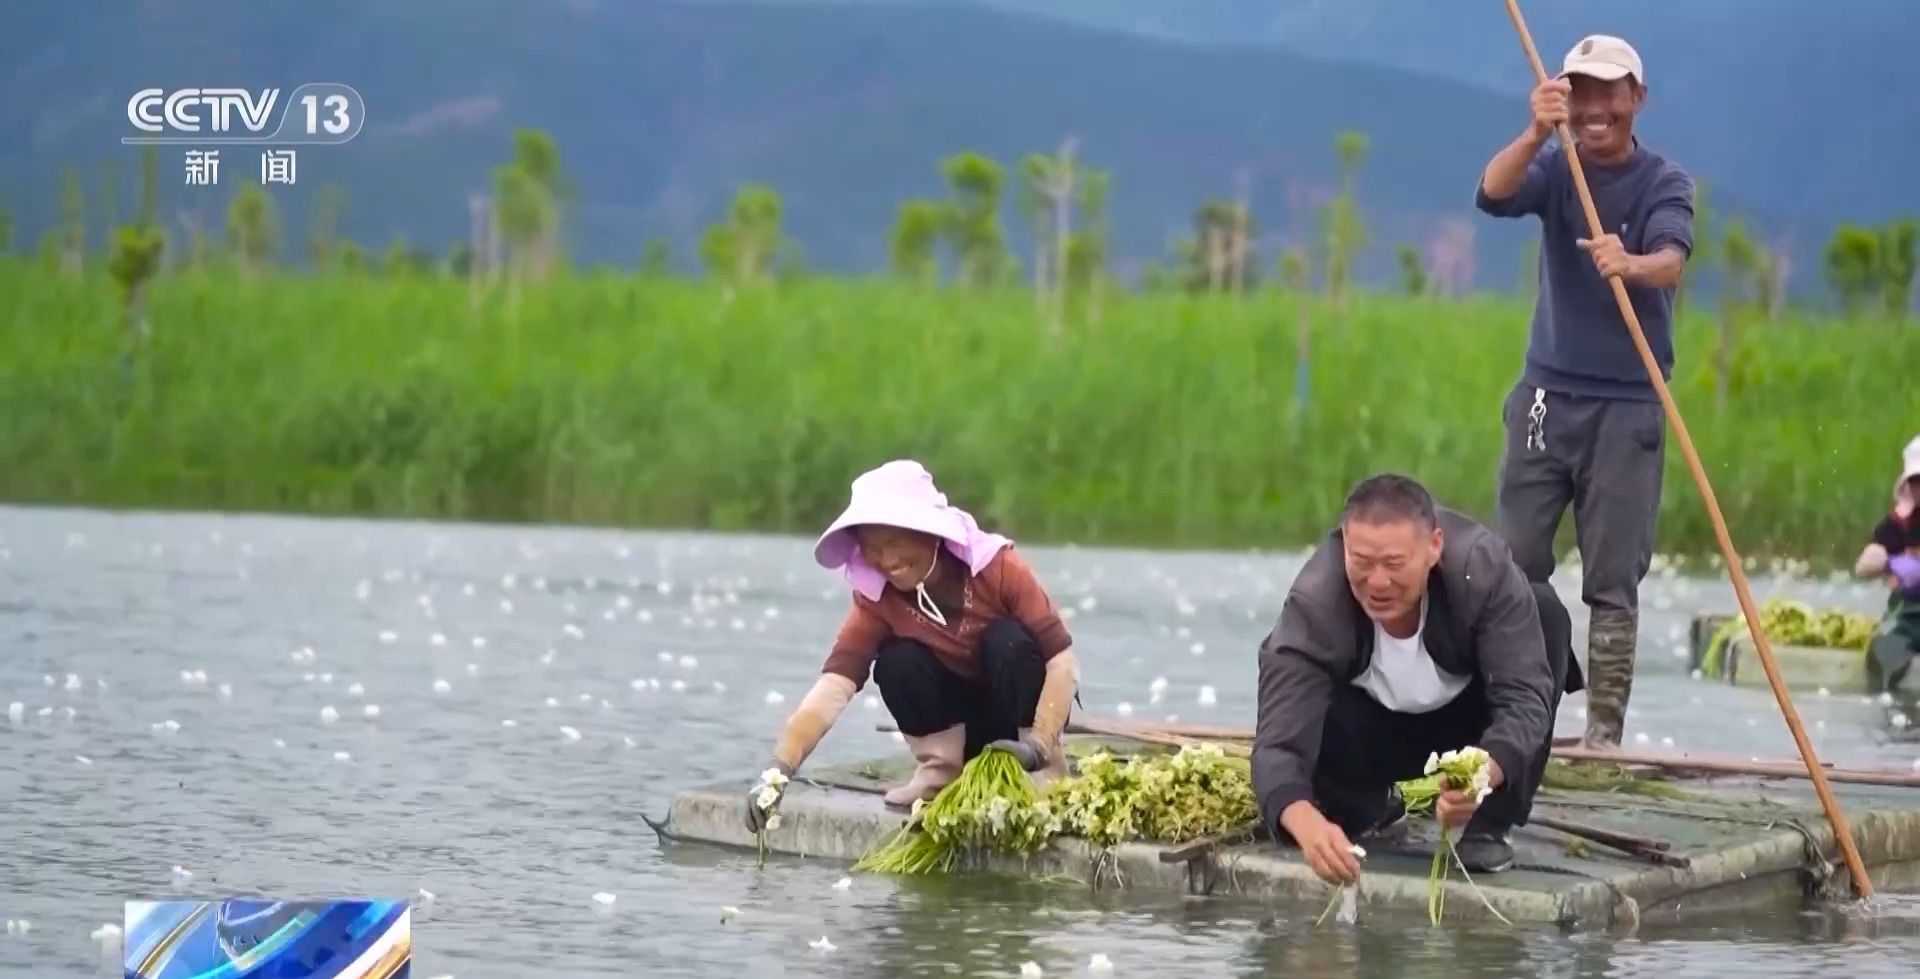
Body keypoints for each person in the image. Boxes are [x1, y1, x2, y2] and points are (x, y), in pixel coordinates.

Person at [1474, 33, 1696, 749]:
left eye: (1609, 91)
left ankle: (1603, 735)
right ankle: (1519, 714)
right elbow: (1493, 192)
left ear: (1637, 98)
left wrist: (1627, 262)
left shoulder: (1665, 180)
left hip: (1628, 404)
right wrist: (1536, 129)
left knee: (1612, 575)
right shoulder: (1556, 164)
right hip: (1547, 395)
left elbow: (1670, 263)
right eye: (1581, 92)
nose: (1594, 107)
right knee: (1513, 562)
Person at [1251, 474, 1578, 883]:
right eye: (1362, 562)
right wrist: (1306, 825)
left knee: (1546, 613)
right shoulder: (1315, 601)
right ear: (1344, 547)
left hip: (1469, 736)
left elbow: (1525, 701)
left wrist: (1482, 775)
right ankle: (1370, 806)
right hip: (1370, 738)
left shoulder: (1483, 570)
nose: (1378, 583)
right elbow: (1277, 744)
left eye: (1394, 564)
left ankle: (1490, 826)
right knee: (1330, 807)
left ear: (1434, 547)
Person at [744, 459, 1080, 831]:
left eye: (894, 543)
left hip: (1021, 731)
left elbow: (1061, 662)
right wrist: (779, 770)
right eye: (873, 548)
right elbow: (833, 685)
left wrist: (1039, 745)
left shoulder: (998, 568)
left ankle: (1045, 776)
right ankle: (941, 775)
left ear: (930, 533)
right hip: (960, 726)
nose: (886, 561)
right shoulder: (877, 599)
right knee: (896, 661)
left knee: (1008, 642)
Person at [1854, 435, 1920, 693]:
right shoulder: (1897, 526)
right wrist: (1889, 562)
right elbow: (1865, 565)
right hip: (1909, 616)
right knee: (1890, 640)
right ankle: (1884, 691)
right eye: (1916, 482)